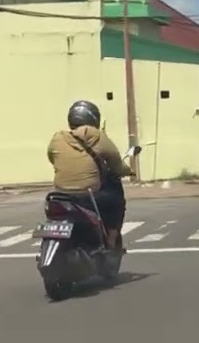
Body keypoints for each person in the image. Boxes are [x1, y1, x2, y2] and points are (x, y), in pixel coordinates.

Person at [46, 100, 134, 249]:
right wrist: (127, 171)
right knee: (116, 200)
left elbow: (52, 158)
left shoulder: (58, 137)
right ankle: (112, 243)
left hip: (60, 195)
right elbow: (116, 165)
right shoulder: (99, 137)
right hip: (88, 196)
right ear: (94, 118)